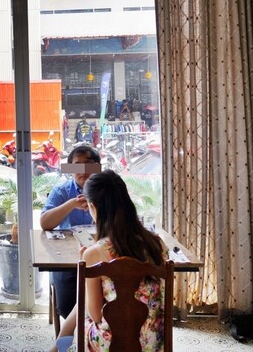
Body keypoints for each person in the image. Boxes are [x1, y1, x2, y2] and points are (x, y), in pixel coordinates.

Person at [52, 170, 167, 352]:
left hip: (112, 343)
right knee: (81, 303)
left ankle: (58, 348)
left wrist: (85, 269)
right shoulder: (157, 243)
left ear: (93, 206)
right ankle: (56, 348)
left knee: (82, 305)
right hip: (153, 341)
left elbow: (96, 316)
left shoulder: (95, 253)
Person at [40, 144, 102, 323]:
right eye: (77, 165)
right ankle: (78, 323)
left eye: (88, 164)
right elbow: (45, 223)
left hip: (100, 253)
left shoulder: (106, 190)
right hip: (68, 257)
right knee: (67, 305)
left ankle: (96, 321)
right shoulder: (62, 190)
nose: (83, 170)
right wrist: (72, 204)